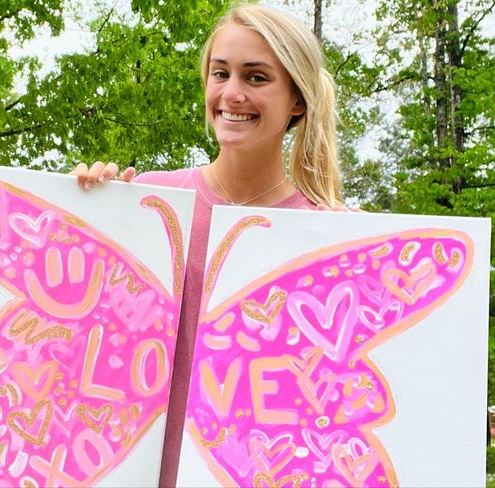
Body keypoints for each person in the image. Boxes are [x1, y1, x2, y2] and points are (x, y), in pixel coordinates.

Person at [72, 3, 345, 485]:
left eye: (256, 78)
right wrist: (89, 213)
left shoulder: (325, 236)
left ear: (297, 101)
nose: (231, 93)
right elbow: (84, 349)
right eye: (221, 73)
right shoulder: (149, 204)